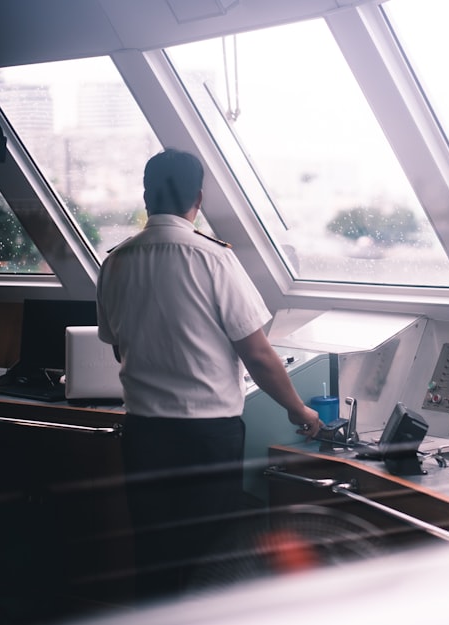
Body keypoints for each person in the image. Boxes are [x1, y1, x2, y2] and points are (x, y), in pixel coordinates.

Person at [96, 148, 322, 601]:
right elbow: (257, 353)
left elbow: (117, 342)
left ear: (146, 195)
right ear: (198, 198)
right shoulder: (214, 259)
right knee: (209, 558)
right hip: (206, 437)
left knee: (154, 554)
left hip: (143, 433)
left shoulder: (116, 261)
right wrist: (299, 411)